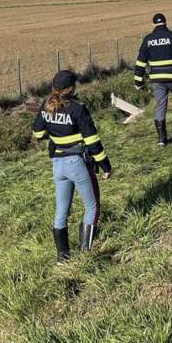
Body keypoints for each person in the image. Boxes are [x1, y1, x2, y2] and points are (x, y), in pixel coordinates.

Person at [32, 70, 113, 261]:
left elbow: (37, 133)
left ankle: (63, 257)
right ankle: (86, 254)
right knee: (92, 207)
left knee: (61, 211)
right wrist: (106, 166)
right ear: (70, 89)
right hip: (77, 163)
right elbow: (92, 140)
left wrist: (55, 136)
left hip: (57, 165)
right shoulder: (78, 108)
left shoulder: (46, 105)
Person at [134, 13, 172, 146]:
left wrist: (138, 82)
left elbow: (140, 63)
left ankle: (162, 139)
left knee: (161, 105)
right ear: (165, 22)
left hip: (156, 79)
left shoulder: (148, 40)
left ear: (153, 24)